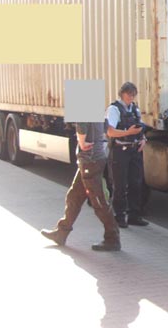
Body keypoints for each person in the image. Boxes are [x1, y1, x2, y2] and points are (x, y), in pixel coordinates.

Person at [41, 121, 120, 251]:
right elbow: (108, 130)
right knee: (74, 196)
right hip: (94, 159)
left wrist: (82, 143)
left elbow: (81, 126)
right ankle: (61, 233)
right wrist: (129, 133)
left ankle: (112, 238)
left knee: (99, 202)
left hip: (90, 160)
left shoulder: (83, 102)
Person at [106, 82, 149, 228]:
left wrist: (143, 139)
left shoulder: (135, 109)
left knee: (136, 183)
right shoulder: (113, 109)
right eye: (129, 94)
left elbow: (141, 127)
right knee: (119, 185)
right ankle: (118, 217)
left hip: (135, 150)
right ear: (122, 93)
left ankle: (134, 216)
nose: (131, 97)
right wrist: (128, 133)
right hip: (120, 150)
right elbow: (110, 132)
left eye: (133, 94)